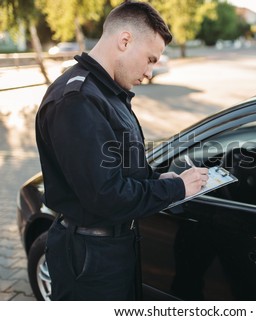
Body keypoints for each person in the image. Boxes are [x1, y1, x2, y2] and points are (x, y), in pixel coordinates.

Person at [35, 1, 209, 300]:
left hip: (110, 249)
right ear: (125, 40)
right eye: (150, 59)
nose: (150, 73)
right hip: (89, 259)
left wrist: (158, 178)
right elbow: (107, 196)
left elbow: (120, 166)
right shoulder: (77, 100)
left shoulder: (107, 93)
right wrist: (176, 189)